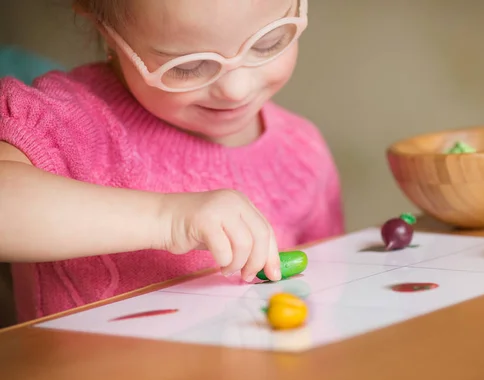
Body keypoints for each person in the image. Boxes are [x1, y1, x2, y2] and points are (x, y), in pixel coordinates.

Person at [0, 0, 344, 323]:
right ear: (108, 32)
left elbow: (333, 300)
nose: (236, 89)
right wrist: (167, 219)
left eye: (269, 42)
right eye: (189, 67)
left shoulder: (302, 153)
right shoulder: (67, 120)